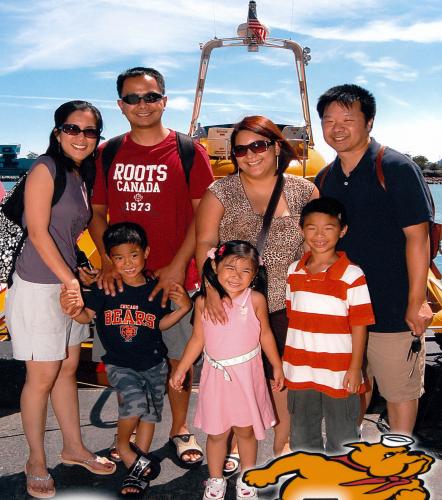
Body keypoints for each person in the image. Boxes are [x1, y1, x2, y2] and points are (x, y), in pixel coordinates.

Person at [87, 66, 213, 466]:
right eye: (133, 98)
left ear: (164, 100)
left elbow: (204, 216)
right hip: (122, 282)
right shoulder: (108, 152)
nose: (142, 105)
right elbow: (97, 213)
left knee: (177, 359)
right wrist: (107, 261)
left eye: (151, 96)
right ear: (121, 105)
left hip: (172, 282)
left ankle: (180, 429)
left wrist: (177, 265)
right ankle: (127, 435)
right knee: (124, 359)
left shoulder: (189, 151)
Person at [5, 101, 116, 499]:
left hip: (65, 284)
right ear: (57, 132)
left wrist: (80, 271)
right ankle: (35, 461)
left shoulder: (78, 174)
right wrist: (70, 280)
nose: (81, 137)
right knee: (41, 378)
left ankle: (73, 448)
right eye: (72, 128)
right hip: (38, 285)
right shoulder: (45, 168)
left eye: (90, 131)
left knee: (68, 368)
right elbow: (37, 232)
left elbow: (65, 233)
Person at [195, 115, 319, 461]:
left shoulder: (304, 191)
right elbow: (204, 243)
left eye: (258, 145)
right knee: (238, 372)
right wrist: (211, 291)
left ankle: (282, 440)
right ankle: (237, 438)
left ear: (277, 147)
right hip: (235, 303)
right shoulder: (220, 192)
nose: (250, 155)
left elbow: (316, 245)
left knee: (284, 374)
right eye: (240, 150)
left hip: (288, 301)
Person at [315, 84, 433, 435]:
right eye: (329, 120)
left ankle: (400, 457)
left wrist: (416, 302)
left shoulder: (395, 167)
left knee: (399, 391)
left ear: (369, 122)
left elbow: (419, 237)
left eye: (347, 119)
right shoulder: (325, 178)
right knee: (351, 386)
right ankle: (348, 452)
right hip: (343, 309)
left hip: (392, 306)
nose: (337, 128)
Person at [61, 222, 192, 496]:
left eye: (133, 255)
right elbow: (87, 316)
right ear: (110, 259)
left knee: (148, 416)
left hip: (154, 363)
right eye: (119, 258)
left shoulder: (156, 289)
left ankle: (136, 467)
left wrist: (183, 309)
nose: (128, 263)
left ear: (146, 252)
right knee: (134, 402)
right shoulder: (106, 288)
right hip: (120, 363)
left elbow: (159, 325)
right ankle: (123, 445)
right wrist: (74, 311)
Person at [170, 240, 284, 500]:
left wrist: (277, 365)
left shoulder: (255, 300)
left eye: (245, 271)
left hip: (248, 376)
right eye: (230, 268)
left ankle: (247, 477)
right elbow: (197, 340)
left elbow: (265, 334)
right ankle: (215, 479)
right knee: (217, 433)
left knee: (245, 431)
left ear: (254, 275)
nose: (236, 276)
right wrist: (181, 369)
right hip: (216, 378)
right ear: (215, 266)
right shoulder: (203, 302)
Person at [284, 197, 375, 452]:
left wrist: (355, 368)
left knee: (343, 437)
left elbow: (360, 325)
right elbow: (294, 317)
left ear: (342, 230)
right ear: (302, 229)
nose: (319, 235)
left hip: (339, 371)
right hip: (300, 369)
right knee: (302, 435)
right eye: (312, 228)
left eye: (328, 228)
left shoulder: (352, 275)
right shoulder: (294, 271)